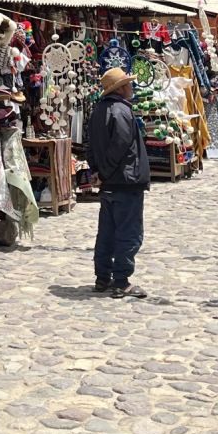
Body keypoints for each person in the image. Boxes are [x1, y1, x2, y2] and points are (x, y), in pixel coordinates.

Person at [87, 67, 151, 298]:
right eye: (129, 84)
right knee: (128, 232)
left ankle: (102, 277)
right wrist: (103, 172)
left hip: (110, 183)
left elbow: (91, 145)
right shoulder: (121, 111)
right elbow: (121, 144)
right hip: (125, 181)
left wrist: (95, 171)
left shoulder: (98, 111)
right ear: (121, 88)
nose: (131, 88)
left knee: (107, 231)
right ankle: (121, 280)